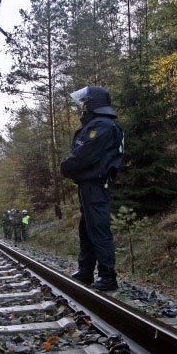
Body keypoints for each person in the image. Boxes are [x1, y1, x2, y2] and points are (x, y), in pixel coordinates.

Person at [60, 86, 124, 291]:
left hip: (96, 184)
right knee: (86, 229)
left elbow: (85, 154)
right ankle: (86, 271)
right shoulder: (99, 124)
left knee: (98, 229)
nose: (83, 106)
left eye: (86, 102)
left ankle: (107, 277)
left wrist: (66, 165)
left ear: (94, 103)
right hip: (89, 184)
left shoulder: (103, 126)